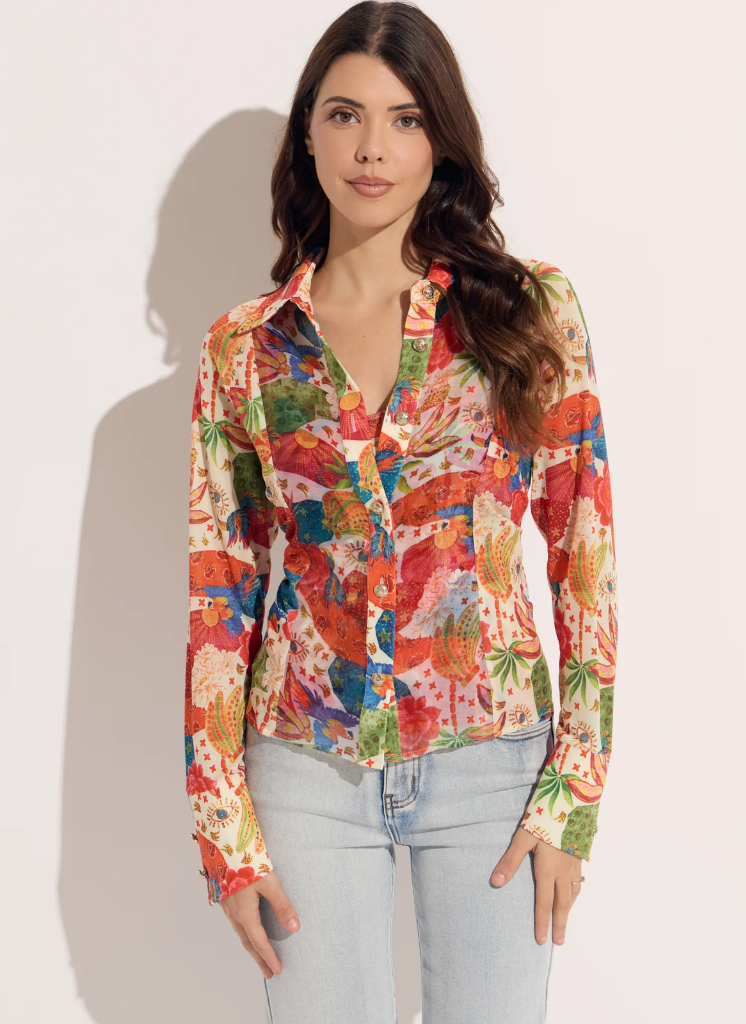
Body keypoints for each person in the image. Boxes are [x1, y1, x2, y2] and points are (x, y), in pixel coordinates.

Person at [184, 2, 618, 1021]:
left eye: (406, 118)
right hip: (304, 771)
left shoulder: (528, 312)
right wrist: (224, 828)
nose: (372, 148)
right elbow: (219, 591)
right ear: (308, 133)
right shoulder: (246, 350)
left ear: (442, 140)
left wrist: (574, 795)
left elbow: (585, 556)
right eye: (344, 115)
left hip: (492, 766)